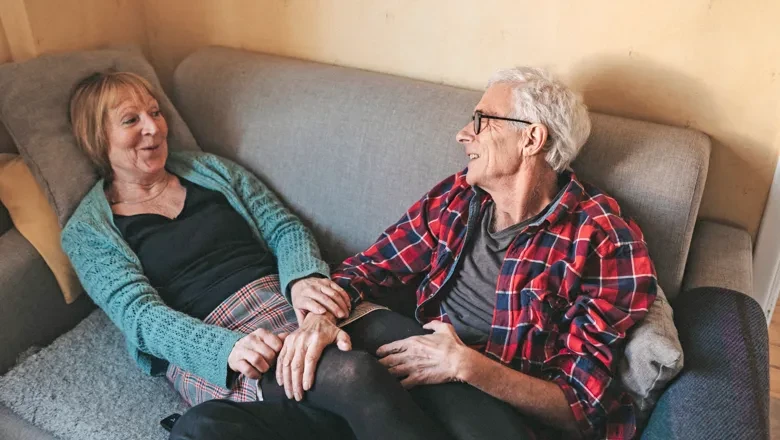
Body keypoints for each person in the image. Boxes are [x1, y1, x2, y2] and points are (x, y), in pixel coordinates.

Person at [170, 67, 658, 440]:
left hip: (491, 412)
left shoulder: (602, 239)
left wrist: (465, 364)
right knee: (204, 425)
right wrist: (320, 317)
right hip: (411, 384)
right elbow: (370, 267)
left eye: (482, 121)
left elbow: (581, 409)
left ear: (532, 137)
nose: (463, 135)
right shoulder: (457, 199)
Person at [61, 70, 365, 408]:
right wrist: (226, 349)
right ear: (97, 139)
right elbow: (140, 317)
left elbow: (282, 226)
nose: (154, 128)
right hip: (215, 340)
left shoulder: (212, 170)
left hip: (283, 297)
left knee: (398, 353)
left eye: (156, 112)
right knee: (348, 377)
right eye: (131, 120)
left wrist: (303, 279)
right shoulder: (86, 232)